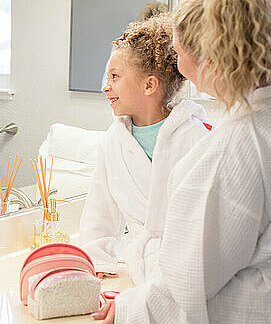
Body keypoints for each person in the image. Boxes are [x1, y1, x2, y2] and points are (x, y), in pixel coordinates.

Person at [94, 0, 271, 324]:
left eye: (178, 54)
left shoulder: (233, 149)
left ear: (210, 61)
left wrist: (129, 308)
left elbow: (188, 280)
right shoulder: (269, 121)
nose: (177, 68)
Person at [79, 14, 211, 285]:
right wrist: (97, 259)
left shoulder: (195, 138)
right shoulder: (113, 141)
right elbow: (101, 208)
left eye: (115, 77)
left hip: (191, 266)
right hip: (141, 268)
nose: (106, 86)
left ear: (149, 85)